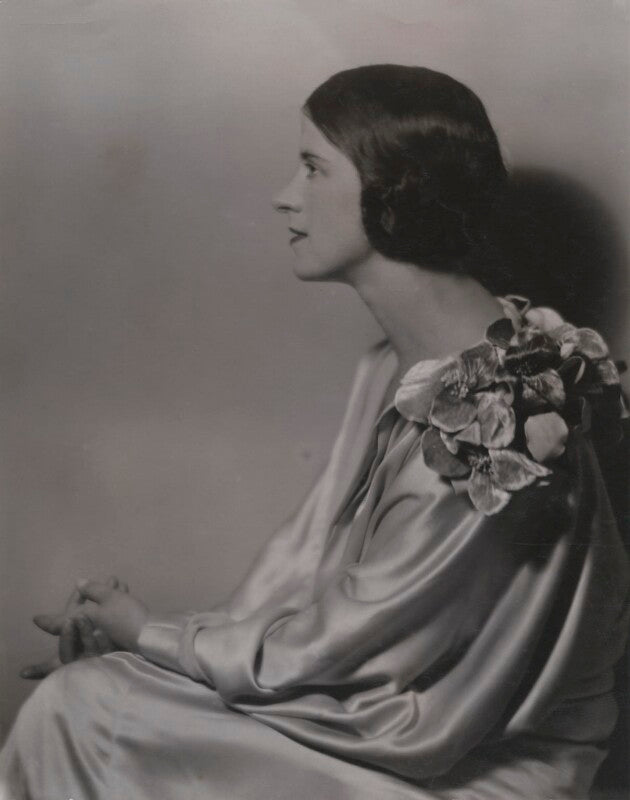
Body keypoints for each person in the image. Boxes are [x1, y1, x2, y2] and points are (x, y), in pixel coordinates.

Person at [1, 64, 628, 800]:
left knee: (80, 712)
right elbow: (302, 576)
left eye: (312, 167)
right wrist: (143, 647)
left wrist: (149, 636)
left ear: (396, 188)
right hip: (375, 701)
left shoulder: (492, 426)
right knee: (97, 693)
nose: (284, 195)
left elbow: (370, 679)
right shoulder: (399, 365)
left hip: (475, 766)